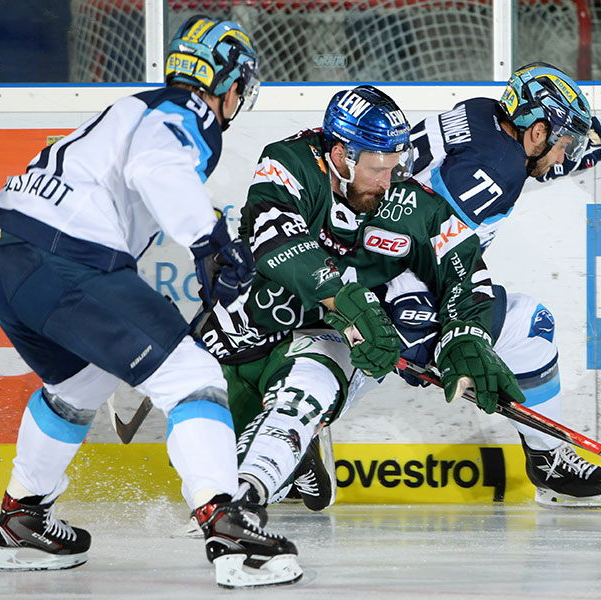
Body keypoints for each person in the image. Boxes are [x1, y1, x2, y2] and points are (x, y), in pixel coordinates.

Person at [0, 16, 300, 589]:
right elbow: (156, 168)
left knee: (79, 387)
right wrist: (212, 244)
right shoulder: (187, 111)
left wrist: (208, 245)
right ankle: (227, 529)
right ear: (227, 82)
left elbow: (136, 180)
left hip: (4, 259)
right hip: (63, 259)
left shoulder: (130, 108)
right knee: (194, 375)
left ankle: (21, 517)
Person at [195, 85, 525, 569]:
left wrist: (465, 335)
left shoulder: (406, 201)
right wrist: (350, 301)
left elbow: (464, 268)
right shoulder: (289, 161)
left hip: (305, 343)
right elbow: (276, 239)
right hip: (233, 339)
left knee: (302, 395)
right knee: (218, 448)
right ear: (339, 155)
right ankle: (295, 461)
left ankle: (241, 509)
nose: (390, 180)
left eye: (396, 166)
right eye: (378, 168)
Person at [383, 62, 601, 510]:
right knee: (531, 324)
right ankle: (550, 465)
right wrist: (433, 322)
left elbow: (465, 175)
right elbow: (436, 248)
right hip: (400, 292)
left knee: (345, 367)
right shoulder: (498, 167)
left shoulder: (482, 113)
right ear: (536, 132)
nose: (561, 157)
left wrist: (559, 161)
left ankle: (307, 440)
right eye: (563, 145)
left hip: (365, 271)